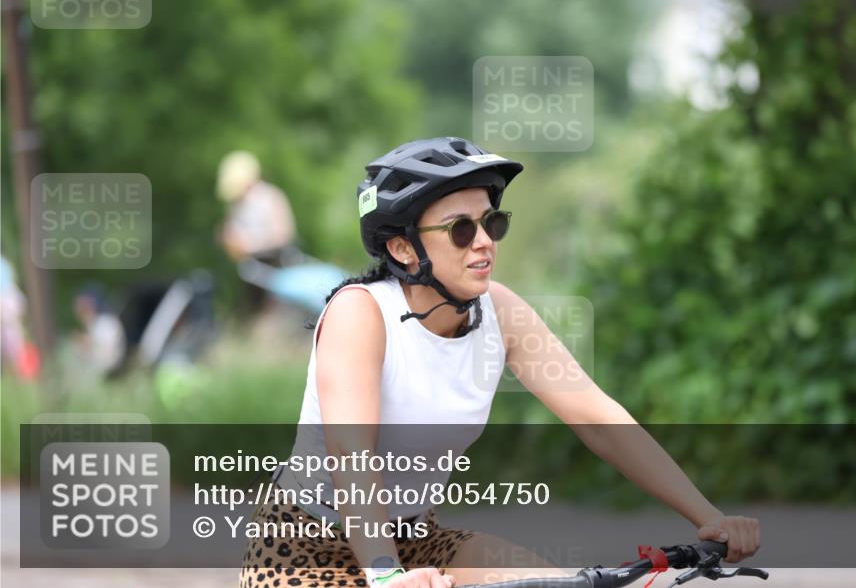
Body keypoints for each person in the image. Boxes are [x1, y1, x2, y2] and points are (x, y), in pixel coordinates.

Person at [238, 137, 760, 588]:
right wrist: (384, 572)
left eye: (492, 223)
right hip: (306, 548)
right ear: (401, 247)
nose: (484, 241)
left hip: (419, 541)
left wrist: (709, 518)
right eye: (460, 230)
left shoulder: (501, 312)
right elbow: (351, 453)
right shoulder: (360, 313)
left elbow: (596, 417)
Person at [216, 150, 299, 311]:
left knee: (270, 314)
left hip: (276, 266)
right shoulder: (236, 204)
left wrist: (250, 244)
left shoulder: (269, 198)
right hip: (253, 270)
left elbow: (283, 235)